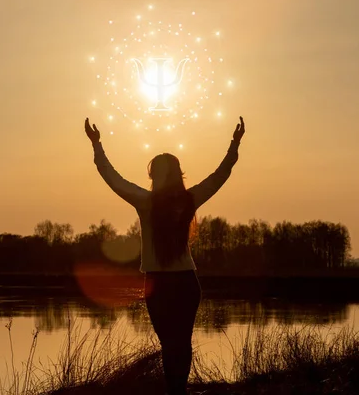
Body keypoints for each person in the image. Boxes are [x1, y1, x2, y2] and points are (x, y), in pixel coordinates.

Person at [84, 116, 245, 395]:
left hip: (159, 284)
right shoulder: (188, 199)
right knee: (180, 343)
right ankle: (177, 391)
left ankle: (176, 391)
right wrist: (234, 145)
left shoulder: (145, 202)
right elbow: (220, 176)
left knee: (171, 344)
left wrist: (97, 145)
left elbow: (112, 177)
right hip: (184, 283)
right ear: (179, 174)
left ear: (154, 176)